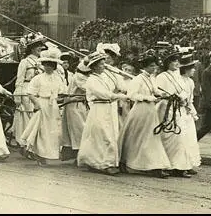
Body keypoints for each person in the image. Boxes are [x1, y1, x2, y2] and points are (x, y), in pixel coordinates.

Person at [118, 49, 172, 178]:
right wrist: (148, 98)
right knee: (140, 136)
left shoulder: (151, 78)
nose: (154, 68)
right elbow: (132, 95)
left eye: (155, 65)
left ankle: (153, 165)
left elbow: (154, 90)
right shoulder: (138, 79)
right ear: (145, 67)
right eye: (151, 66)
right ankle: (131, 162)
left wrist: (162, 94)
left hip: (150, 111)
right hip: (141, 109)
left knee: (151, 137)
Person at [77, 52, 128, 176]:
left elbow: (117, 87)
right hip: (99, 108)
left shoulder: (105, 77)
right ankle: (102, 163)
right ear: (94, 67)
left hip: (109, 108)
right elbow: (103, 94)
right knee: (103, 135)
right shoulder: (91, 80)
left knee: (111, 134)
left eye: (103, 63)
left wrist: (123, 91)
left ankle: (107, 162)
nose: (103, 66)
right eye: (100, 64)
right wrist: (119, 96)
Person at [21, 47, 67, 166]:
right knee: (41, 130)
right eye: (46, 65)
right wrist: (37, 104)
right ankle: (39, 154)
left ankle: (50, 153)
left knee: (53, 131)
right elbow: (30, 93)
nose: (48, 67)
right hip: (42, 104)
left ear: (54, 66)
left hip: (53, 107)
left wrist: (61, 100)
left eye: (51, 65)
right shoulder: (38, 78)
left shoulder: (58, 78)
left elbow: (62, 93)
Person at [155, 47, 196, 178]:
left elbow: (184, 91)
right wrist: (170, 96)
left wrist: (182, 98)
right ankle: (166, 165)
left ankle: (179, 166)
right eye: (174, 62)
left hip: (178, 108)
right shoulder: (162, 76)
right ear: (168, 63)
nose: (177, 64)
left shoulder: (178, 76)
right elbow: (158, 92)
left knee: (180, 137)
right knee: (168, 135)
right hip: (166, 108)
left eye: (178, 61)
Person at [12, 32, 47, 151]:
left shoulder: (42, 62)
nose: (40, 48)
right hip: (26, 91)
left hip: (38, 93)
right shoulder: (25, 62)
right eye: (37, 45)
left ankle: (35, 144)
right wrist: (18, 95)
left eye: (40, 46)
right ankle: (24, 143)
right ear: (31, 48)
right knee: (26, 118)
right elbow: (19, 80)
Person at [60, 57, 91, 162]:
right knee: (79, 129)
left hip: (82, 104)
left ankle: (80, 153)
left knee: (82, 128)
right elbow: (88, 88)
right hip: (75, 105)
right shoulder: (79, 76)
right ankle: (79, 154)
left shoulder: (86, 76)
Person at [177, 53, 202, 174]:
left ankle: (189, 163)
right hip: (179, 111)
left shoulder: (191, 82)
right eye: (192, 68)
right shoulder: (178, 80)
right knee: (182, 138)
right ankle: (180, 165)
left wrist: (193, 113)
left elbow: (190, 99)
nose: (194, 70)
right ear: (186, 69)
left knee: (190, 138)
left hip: (187, 113)